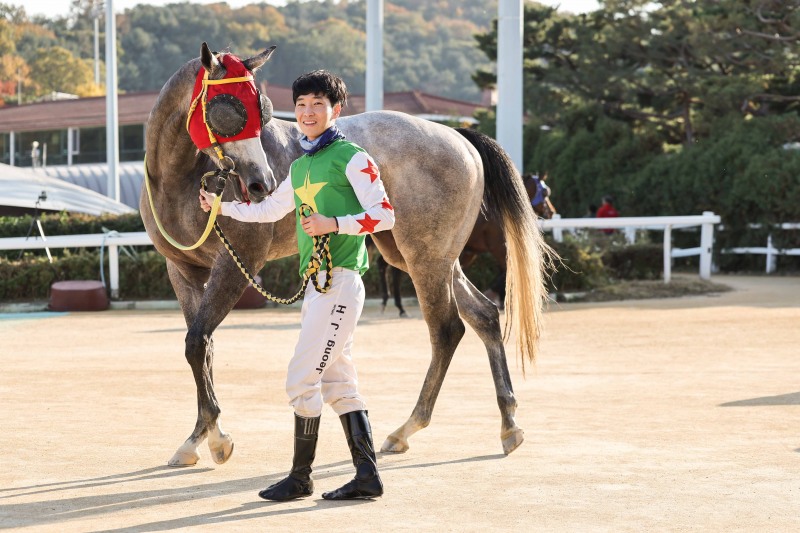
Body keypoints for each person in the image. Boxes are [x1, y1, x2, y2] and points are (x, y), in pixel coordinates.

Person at [199, 70, 395, 501]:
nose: (307, 113)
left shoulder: (354, 158)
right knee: (339, 383)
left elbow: (384, 215)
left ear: (335, 110)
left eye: (317, 105)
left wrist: (334, 223)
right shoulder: (303, 164)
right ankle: (366, 476)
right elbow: (270, 209)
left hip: (341, 283)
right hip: (318, 287)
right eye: (302, 105)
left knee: (301, 380)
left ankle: (301, 477)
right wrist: (222, 207)